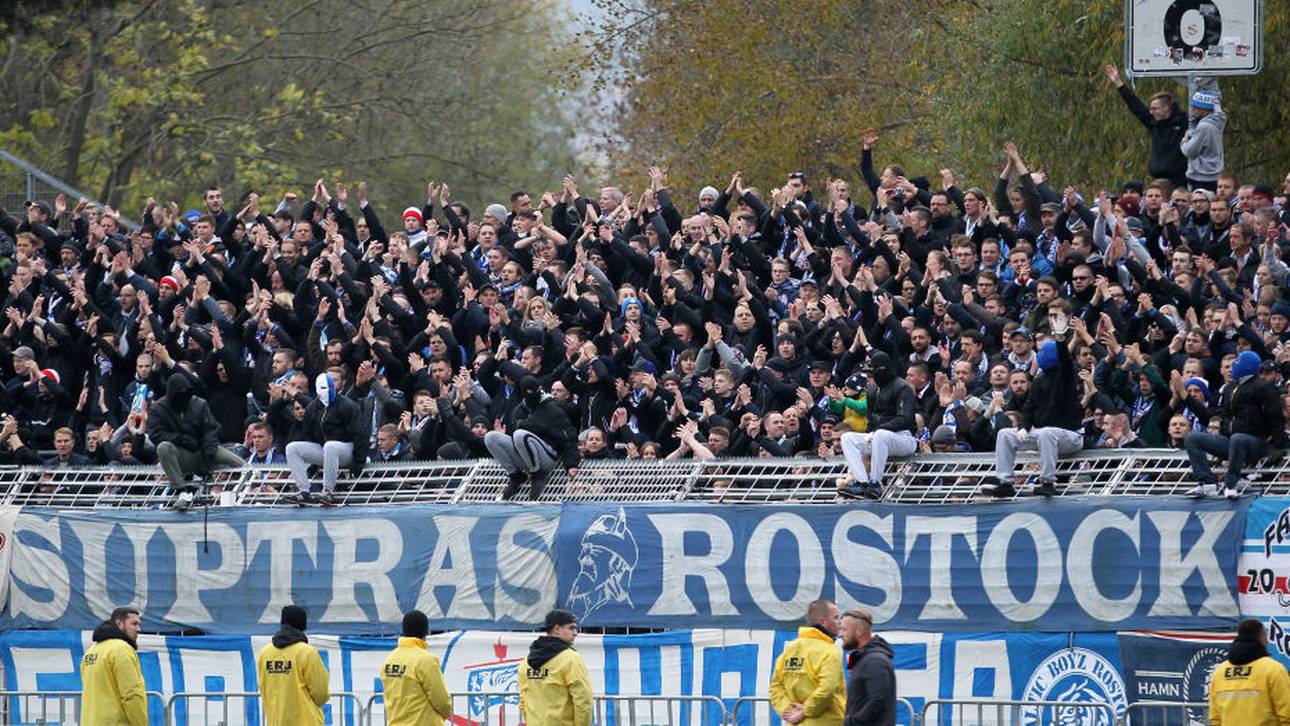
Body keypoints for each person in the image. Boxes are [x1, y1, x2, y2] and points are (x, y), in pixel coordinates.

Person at [984, 321, 1083, 497]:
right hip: (1045, 434)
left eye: (1045, 352)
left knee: (1046, 433)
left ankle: (1047, 482)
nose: (1042, 355)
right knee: (1005, 435)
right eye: (1041, 352)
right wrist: (1023, 427)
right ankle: (1005, 482)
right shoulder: (1038, 380)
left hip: (1071, 436)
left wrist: (1060, 339)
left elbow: (1066, 361)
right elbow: (1029, 408)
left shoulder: (1066, 376)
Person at [1185, 351, 1287, 499]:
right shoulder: (1229, 388)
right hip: (1232, 442)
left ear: (1247, 365)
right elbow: (1225, 415)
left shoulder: (1264, 387)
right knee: (1193, 438)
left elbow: (1275, 417)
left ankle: (1231, 484)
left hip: (1257, 443)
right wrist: (1224, 428)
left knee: (1239, 438)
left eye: (1238, 362)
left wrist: (1279, 446)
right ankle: (1207, 483)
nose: (1234, 365)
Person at [147, 373, 244, 510]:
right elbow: (155, 434)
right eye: (179, 392)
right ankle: (181, 490)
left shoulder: (199, 404)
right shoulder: (158, 409)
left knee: (240, 464)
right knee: (163, 447)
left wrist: (207, 456)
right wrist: (181, 439)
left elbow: (210, 430)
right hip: (180, 452)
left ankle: (247, 492)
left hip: (204, 448)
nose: (183, 395)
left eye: (186, 391)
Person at [485, 375, 580, 500]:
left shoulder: (552, 408)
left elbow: (568, 437)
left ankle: (537, 475)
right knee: (491, 437)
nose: (531, 397)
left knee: (521, 434)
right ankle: (515, 475)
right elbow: (513, 430)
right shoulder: (521, 409)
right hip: (525, 455)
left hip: (548, 457)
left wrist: (571, 464)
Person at [838, 352, 917, 500]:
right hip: (879, 437)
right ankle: (862, 482)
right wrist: (871, 433)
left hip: (904, 438)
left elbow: (905, 419)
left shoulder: (902, 387)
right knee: (847, 438)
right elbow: (871, 420)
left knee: (881, 434)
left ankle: (875, 483)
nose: (869, 376)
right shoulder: (873, 390)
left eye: (871, 372)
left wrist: (879, 430)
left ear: (882, 369)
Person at [285, 373, 368, 504]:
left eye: (330, 387)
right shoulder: (313, 408)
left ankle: (328, 491)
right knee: (292, 448)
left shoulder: (347, 405)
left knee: (331, 446)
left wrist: (358, 461)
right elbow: (309, 435)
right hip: (326, 450)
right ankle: (304, 491)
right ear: (317, 390)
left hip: (348, 449)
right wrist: (314, 463)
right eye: (323, 388)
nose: (327, 391)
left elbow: (360, 434)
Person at [1103, 65, 1188, 188]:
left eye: (1155, 109)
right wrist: (1118, 83)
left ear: (1165, 108)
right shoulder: (1153, 123)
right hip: (1158, 180)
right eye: (1150, 109)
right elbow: (1136, 106)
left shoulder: (1184, 122)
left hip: (1179, 181)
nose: (1151, 112)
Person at [769, 599, 846, 726]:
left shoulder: (791, 649)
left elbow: (775, 687)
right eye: (836, 617)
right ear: (824, 622)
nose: (840, 622)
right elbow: (827, 689)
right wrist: (805, 710)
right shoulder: (830, 651)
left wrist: (789, 711)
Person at [256, 605, 330, 726]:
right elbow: (321, 693)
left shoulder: (265, 653)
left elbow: (263, 688)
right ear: (303, 625)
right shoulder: (307, 652)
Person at [1208, 618, 1290, 725]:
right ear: (1262, 638)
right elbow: (1287, 714)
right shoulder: (1273, 669)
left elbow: (1215, 718)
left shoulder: (1220, 672)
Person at [518, 609, 593, 726]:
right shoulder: (571, 658)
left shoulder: (526, 663)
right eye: (571, 628)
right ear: (557, 629)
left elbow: (523, 702)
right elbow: (583, 701)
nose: (575, 633)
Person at [380, 610, 452, 726]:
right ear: (426, 631)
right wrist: (447, 712)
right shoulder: (426, 660)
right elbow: (441, 701)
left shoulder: (390, 659)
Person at [81, 606, 147, 726]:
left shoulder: (91, 651)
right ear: (119, 623)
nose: (138, 629)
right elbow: (131, 695)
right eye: (134, 624)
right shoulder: (122, 649)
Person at [840, 609, 895, 726]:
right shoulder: (864, 658)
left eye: (844, 629)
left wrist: (852, 721)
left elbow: (878, 700)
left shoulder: (875, 661)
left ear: (859, 631)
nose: (840, 634)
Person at [1181, 89, 1227, 192]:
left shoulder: (1204, 127)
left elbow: (1190, 151)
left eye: (1196, 108)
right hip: (1215, 173)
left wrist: (1184, 140)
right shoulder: (1218, 120)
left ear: (1204, 109)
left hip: (1201, 176)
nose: (1193, 110)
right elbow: (1216, 101)